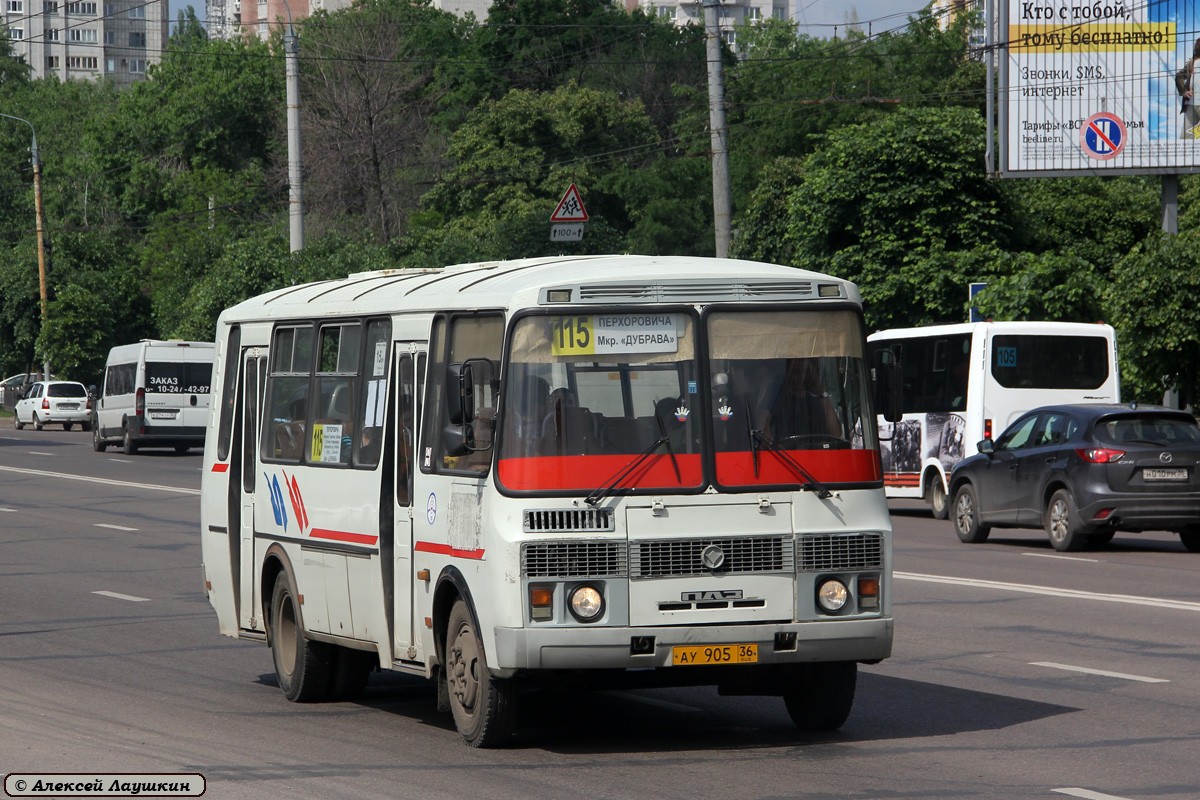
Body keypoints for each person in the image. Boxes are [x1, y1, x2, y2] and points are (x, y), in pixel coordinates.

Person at [765, 358, 841, 441]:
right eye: (796, 371)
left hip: (815, 453)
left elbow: (836, 434)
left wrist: (821, 393)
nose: (801, 377)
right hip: (781, 453)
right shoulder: (777, 397)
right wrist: (769, 439)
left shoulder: (818, 403)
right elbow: (762, 421)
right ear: (787, 371)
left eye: (806, 371)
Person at [1176, 37, 1200, 139]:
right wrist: (1184, 92)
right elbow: (1179, 76)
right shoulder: (1192, 63)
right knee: (1185, 138)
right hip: (1192, 103)